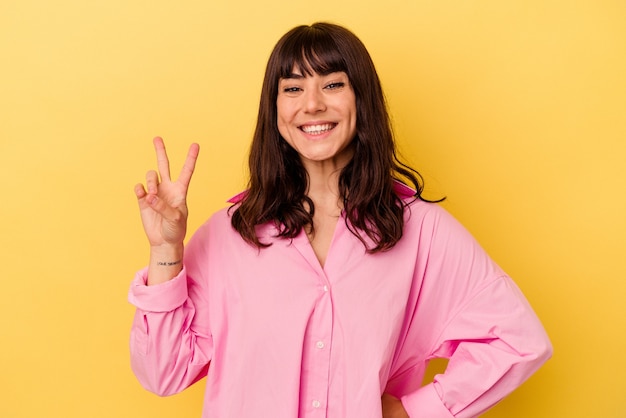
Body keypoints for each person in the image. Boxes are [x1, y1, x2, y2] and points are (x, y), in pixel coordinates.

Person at [129, 22, 552, 417]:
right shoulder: (231, 233)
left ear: (360, 98)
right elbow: (162, 374)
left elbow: (518, 340)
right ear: (274, 110)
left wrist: (415, 410)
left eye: (332, 84)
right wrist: (166, 249)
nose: (312, 104)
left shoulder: (421, 231)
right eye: (292, 88)